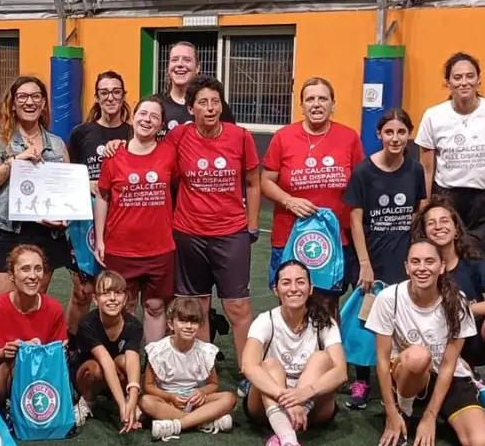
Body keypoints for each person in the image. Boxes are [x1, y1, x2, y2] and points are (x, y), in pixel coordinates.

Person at [166, 75, 261, 367]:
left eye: (215, 101)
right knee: (198, 306)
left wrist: (252, 225)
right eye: (203, 102)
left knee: (238, 307)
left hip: (231, 233)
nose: (210, 108)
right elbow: (154, 161)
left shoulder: (240, 136)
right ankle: (204, 368)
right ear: (191, 108)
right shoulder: (178, 137)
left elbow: (253, 182)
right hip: (189, 234)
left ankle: (249, 371)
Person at [366, 241, 485, 446]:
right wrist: (390, 411)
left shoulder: (458, 303)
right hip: (406, 375)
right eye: (415, 262)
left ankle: (432, 410)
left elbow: (448, 365)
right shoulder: (389, 298)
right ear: (407, 267)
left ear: (441, 266)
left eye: (429, 261)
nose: (422, 268)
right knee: (418, 356)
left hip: (447, 378)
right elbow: (382, 360)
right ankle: (404, 410)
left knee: (483, 442)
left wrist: (430, 416)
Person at [342, 108, 427, 409]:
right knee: (367, 321)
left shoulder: (415, 170)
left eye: (401, 132)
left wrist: (415, 255)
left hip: (401, 258)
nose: (395, 138)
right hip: (370, 260)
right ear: (379, 135)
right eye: (388, 132)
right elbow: (355, 220)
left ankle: (399, 374)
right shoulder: (364, 171)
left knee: (402, 318)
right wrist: (364, 264)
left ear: (409, 135)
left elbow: (417, 212)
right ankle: (362, 381)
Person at [411, 195, 485, 429]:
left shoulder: (473, 260)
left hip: (471, 341)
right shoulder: (420, 265)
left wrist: (465, 310)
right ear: (424, 233)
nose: (439, 226)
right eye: (431, 222)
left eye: (444, 220)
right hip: (435, 345)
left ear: (456, 229)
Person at [260, 77, 366, 301]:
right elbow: (266, 181)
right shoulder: (283, 137)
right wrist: (289, 200)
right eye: (310, 99)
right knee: (291, 300)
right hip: (290, 235)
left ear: (332, 104)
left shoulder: (349, 138)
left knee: (328, 302)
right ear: (301, 106)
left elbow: (360, 185)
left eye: (322, 99)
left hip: (335, 238)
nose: (316, 104)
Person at [0, 76, 74, 300]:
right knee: (2, 306)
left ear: (43, 104)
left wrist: (64, 216)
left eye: (36, 96)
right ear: (12, 103)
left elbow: (65, 191)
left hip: (47, 234)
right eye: (22, 96)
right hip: (11, 232)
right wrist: (14, 163)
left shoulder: (57, 144)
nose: (29, 102)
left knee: (32, 302)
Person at [415, 52, 485, 262]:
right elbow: (426, 169)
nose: (464, 82)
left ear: (478, 79)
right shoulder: (433, 116)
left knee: (479, 264)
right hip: (447, 198)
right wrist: (423, 210)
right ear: (448, 82)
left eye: (470, 76)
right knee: (445, 262)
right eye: (457, 77)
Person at [95, 97, 176, 343]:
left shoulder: (170, 154)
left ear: (161, 125)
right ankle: (123, 364)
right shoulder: (114, 154)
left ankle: (152, 365)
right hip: (121, 249)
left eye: (154, 116)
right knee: (123, 306)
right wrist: (100, 239)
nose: (147, 119)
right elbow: (103, 197)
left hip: (159, 249)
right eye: (143, 113)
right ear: (133, 117)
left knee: (155, 306)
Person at [242, 261, 348, 446]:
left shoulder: (324, 321)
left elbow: (341, 372)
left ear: (310, 288)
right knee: (269, 364)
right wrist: (287, 397)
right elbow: (248, 367)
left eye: (300, 282)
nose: (293, 288)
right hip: (269, 403)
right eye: (286, 283)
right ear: (276, 290)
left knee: (322, 358)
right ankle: (290, 440)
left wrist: (304, 394)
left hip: (312, 403)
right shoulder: (265, 321)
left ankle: (284, 433)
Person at [65, 71, 133, 335]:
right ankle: (73, 345)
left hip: (122, 221)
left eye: (116, 91)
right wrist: (87, 184)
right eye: (104, 92)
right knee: (83, 291)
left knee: (120, 288)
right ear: (96, 97)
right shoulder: (81, 132)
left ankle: (117, 344)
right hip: (84, 223)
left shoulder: (133, 132)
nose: (110, 97)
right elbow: (69, 176)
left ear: (124, 95)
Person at [0, 245, 69, 405]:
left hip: (40, 374)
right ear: (12, 275)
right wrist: (3, 352)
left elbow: (58, 355)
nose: (33, 276)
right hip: (1, 374)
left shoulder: (54, 309)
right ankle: (8, 410)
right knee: (17, 361)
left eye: (38, 269)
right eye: (25, 269)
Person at [141, 298, 238, 441]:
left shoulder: (205, 351)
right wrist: (169, 397)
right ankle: (204, 421)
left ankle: (177, 425)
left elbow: (213, 384)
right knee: (145, 401)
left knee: (229, 398)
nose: (188, 326)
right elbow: (148, 386)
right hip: (169, 401)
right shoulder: (158, 351)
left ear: (200, 325)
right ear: (170, 324)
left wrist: (202, 391)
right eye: (183, 321)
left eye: (193, 322)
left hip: (196, 403)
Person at [72, 271, 144, 431]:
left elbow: (133, 361)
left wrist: (132, 401)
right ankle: (87, 401)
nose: (112, 298)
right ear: (95, 299)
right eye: (105, 293)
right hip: (89, 374)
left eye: (118, 293)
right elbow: (106, 363)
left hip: (117, 374)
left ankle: (127, 401)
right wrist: (121, 407)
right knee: (96, 369)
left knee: (126, 360)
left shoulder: (134, 326)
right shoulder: (87, 324)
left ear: (125, 298)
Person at [158, 42, 234, 135]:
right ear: (168, 67)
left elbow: (231, 141)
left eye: (187, 60)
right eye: (174, 60)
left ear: (197, 68)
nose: (180, 64)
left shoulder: (214, 106)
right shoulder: (156, 105)